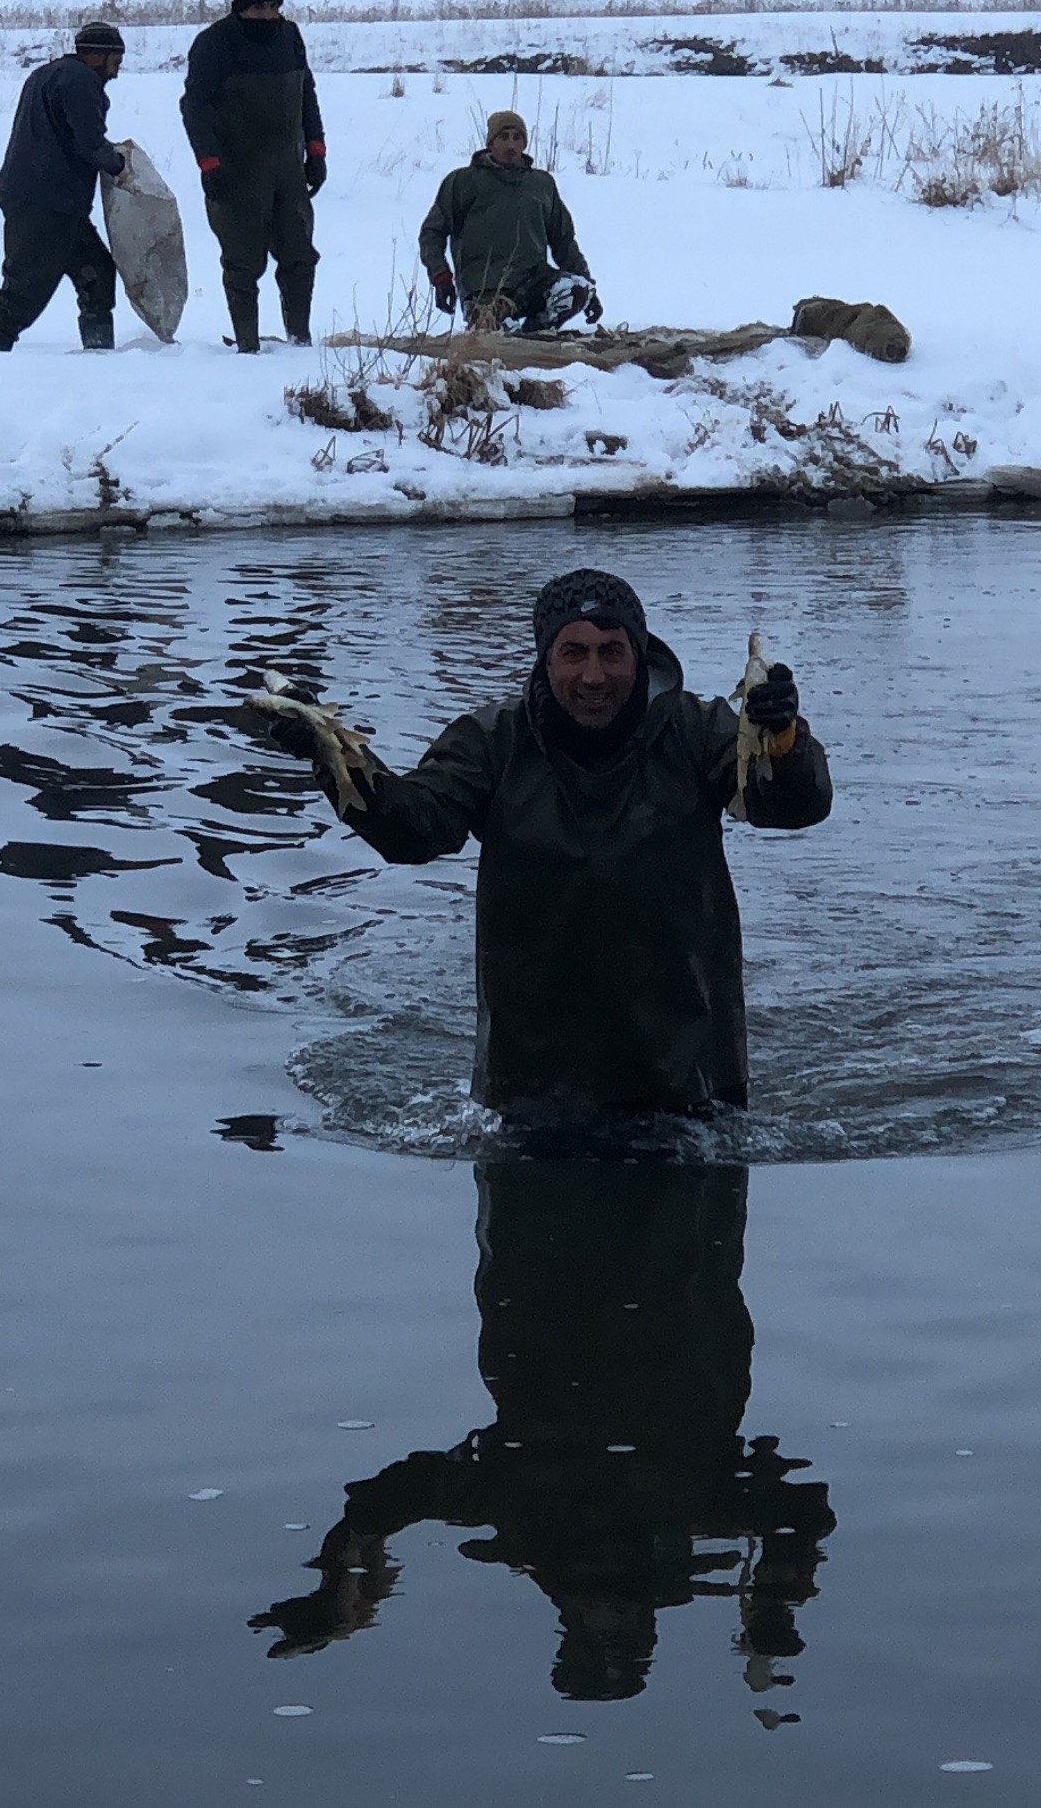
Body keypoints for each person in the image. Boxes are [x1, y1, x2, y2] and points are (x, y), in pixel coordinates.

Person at [250, 1157, 832, 1701]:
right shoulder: (675, 1511)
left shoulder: (531, 1517)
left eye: (600, 1636)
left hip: (576, 1273)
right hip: (652, 1283)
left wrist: (339, 1587)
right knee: (665, 1174)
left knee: (617, 1174)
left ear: (570, 1626)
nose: (613, 1621)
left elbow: (387, 1501)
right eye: (625, 1638)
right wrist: (772, 1607)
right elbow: (800, 1513)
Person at [266, 569, 829, 1121]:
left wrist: (782, 741)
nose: (593, 675)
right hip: (532, 1084)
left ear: (640, 655)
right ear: (545, 660)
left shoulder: (696, 730)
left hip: (691, 1079)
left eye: (612, 652)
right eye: (573, 652)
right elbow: (415, 829)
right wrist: (332, 754)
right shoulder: (492, 742)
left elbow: (790, 806)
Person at [179, 0, 325, 353]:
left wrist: (317, 150)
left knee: (299, 255)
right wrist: (208, 162)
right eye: (259, 7)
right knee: (243, 261)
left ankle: (300, 341)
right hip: (236, 171)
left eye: (274, 6)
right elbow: (194, 106)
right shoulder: (213, 44)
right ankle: (248, 346)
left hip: (288, 170)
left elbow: (306, 93)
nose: (268, 15)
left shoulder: (290, 37)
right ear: (241, 7)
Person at [0, 21, 130, 354]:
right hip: (45, 201)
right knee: (26, 286)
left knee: (97, 274)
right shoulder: (81, 82)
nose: (116, 73)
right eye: (115, 62)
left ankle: (100, 356)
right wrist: (119, 164)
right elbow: (88, 143)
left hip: (51, 199)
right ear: (96, 56)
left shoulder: (48, 74)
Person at [419, 109, 601, 334]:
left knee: (574, 291)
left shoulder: (541, 185)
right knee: (494, 343)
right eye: (503, 137)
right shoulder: (463, 182)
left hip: (533, 282)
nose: (511, 145)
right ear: (490, 143)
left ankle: (537, 336)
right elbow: (432, 233)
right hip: (485, 288)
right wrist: (441, 277)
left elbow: (563, 241)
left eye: (517, 137)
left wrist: (588, 290)